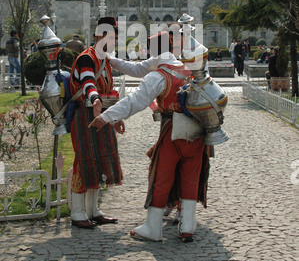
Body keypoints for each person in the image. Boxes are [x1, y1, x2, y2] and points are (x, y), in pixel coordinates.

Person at [89, 31, 211, 243]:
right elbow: (136, 69)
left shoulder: (159, 76)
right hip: (197, 133)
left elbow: (135, 101)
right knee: (190, 178)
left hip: (172, 131)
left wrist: (107, 116)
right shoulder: (192, 70)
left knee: (161, 177)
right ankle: (188, 226)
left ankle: (153, 228)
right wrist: (111, 60)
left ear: (156, 51)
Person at [69, 17, 124, 229]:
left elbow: (108, 91)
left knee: (98, 161)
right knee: (84, 162)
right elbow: (88, 82)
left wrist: (115, 116)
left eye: (115, 39)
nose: (113, 43)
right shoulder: (87, 58)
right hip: (86, 115)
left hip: (101, 115)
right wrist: (95, 99)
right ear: (98, 36)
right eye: (110, 38)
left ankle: (93, 210)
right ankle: (77, 212)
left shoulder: (105, 60)